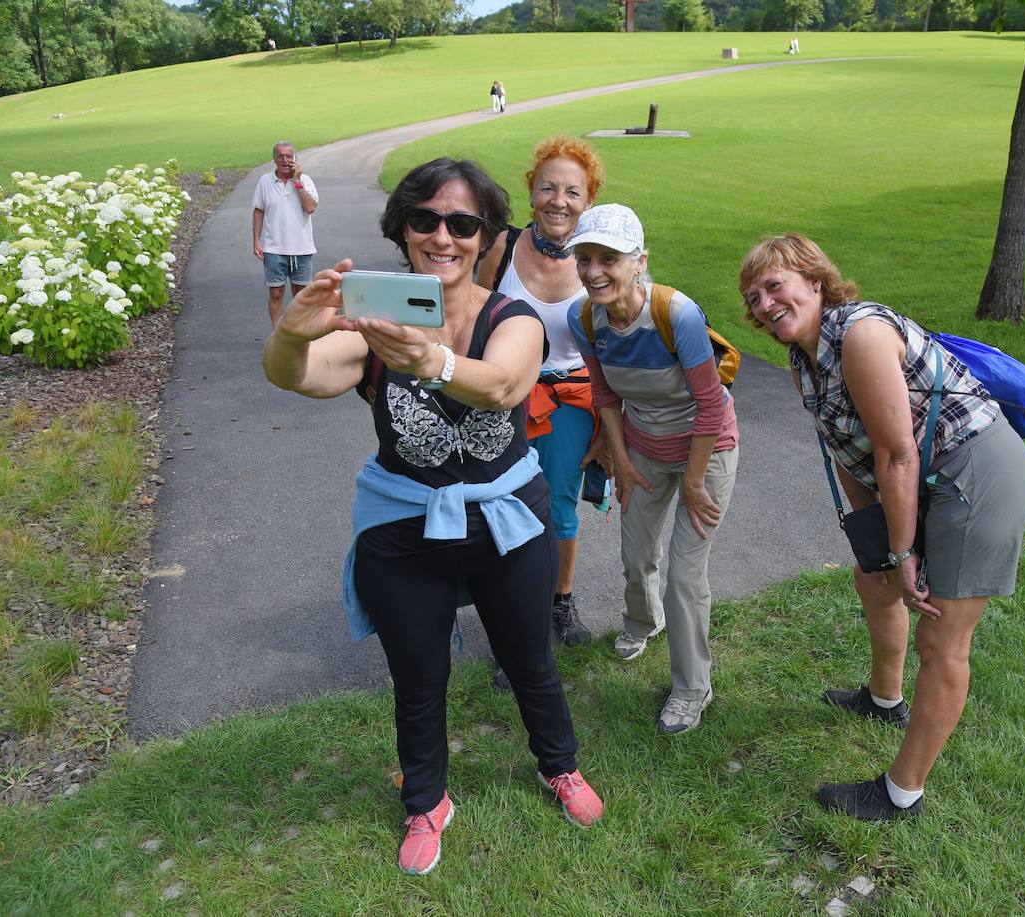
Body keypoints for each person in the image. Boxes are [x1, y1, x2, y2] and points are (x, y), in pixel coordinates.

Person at [262, 157, 603, 876]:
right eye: (425, 219)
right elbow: (300, 376)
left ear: (486, 236)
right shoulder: (376, 324)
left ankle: (559, 765)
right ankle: (426, 800)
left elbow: (503, 383)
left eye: (462, 223)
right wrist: (292, 333)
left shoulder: (511, 316)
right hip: (404, 526)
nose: (442, 236)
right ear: (404, 229)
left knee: (530, 661)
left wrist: (433, 361)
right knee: (418, 677)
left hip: (507, 519)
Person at [738, 233, 1025, 821]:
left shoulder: (862, 335)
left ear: (814, 282)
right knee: (872, 580)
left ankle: (903, 793)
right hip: (922, 475)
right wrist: (878, 544)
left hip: (975, 469)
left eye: (774, 286)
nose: (765, 304)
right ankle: (883, 700)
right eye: (753, 299)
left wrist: (904, 553)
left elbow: (898, 452)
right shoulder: (803, 360)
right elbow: (849, 452)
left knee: (941, 636)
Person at [567, 204, 739, 736]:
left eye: (609, 258)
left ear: (639, 261)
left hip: (706, 450)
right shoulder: (583, 318)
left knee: (685, 576)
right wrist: (619, 458)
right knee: (636, 551)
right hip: (642, 447)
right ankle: (643, 622)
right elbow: (603, 394)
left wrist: (694, 480)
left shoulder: (676, 314)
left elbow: (710, 404)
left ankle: (692, 687)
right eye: (584, 258)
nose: (593, 271)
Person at [477, 137, 606, 675]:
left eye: (573, 192)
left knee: (558, 507)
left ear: (589, 200)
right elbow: (474, 316)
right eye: (548, 188)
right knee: (502, 506)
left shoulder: (600, 256)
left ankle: (560, 602)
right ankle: (512, 621)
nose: (559, 200)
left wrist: (612, 425)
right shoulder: (502, 248)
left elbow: (618, 339)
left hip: (571, 399)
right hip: (505, 394)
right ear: (531, 193)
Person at [252, 141, 318, 330]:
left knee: (301, 295)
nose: (285, 160)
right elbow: (258, 210)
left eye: (289, 156)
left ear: (295, 159)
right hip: (274, 249)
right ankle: (277, 334)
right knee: (276, 294)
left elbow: (310, 207)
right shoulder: (265, 181)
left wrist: (297, 182)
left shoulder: (306, 181)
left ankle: (300, 332)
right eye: (280, 156)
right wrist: (256, 241)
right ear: (274, 159)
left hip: (302, 249)